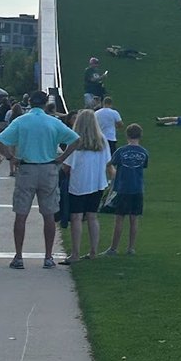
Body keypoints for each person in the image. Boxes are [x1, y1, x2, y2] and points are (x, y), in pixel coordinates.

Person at [0, 90, 81, 269]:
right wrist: (62, 157)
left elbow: (1, 139)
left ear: (30, 102)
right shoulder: (53, 122)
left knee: (21, 214)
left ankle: (19, 257)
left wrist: (11, 157)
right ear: (45, 103)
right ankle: (48, 257)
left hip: (26, 169)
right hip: (48, 169)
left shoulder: (21, 121)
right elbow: (75, 140)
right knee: (48, 215)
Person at [61, 109, 110, 263]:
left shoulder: (75, 141)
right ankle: (93, 251)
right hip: (97, 183)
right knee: (92, 216)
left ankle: (75, 253)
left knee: (76, 217)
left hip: (79, 184)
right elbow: (107, 161)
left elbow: (67, 166)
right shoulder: (102, 140)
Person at [103, 123, 149, 256]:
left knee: (119, 219)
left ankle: (113, 248)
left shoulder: (121, 151)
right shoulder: (144, 153)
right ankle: (131, 248)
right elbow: (143, 166)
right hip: (137, 188)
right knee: (134, 219)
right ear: (140, 136)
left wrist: (113, 173)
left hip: (122, 188)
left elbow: (109, 164)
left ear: (127, 135)